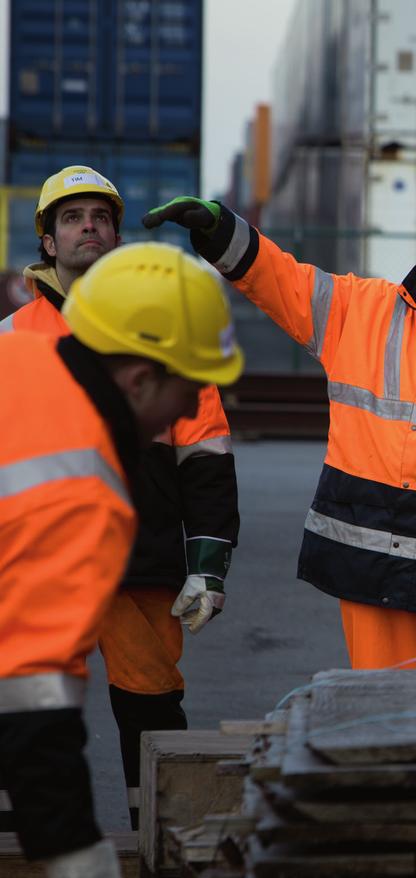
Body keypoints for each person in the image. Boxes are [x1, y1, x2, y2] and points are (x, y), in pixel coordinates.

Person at [143, 169, 416, 669]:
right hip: (372, 566)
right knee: (383, 719)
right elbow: (283, 282)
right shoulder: (363, 309)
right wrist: (222, 233)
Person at [0, 166, 241, 829]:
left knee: (151, 706)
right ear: (48, 241)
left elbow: (206, 452)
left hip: (141, 562)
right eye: (72, 218)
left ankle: (158, 840)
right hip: (39, 567)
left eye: (100, 217)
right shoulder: (12, 338)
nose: (89, 228)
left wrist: (209, 564)